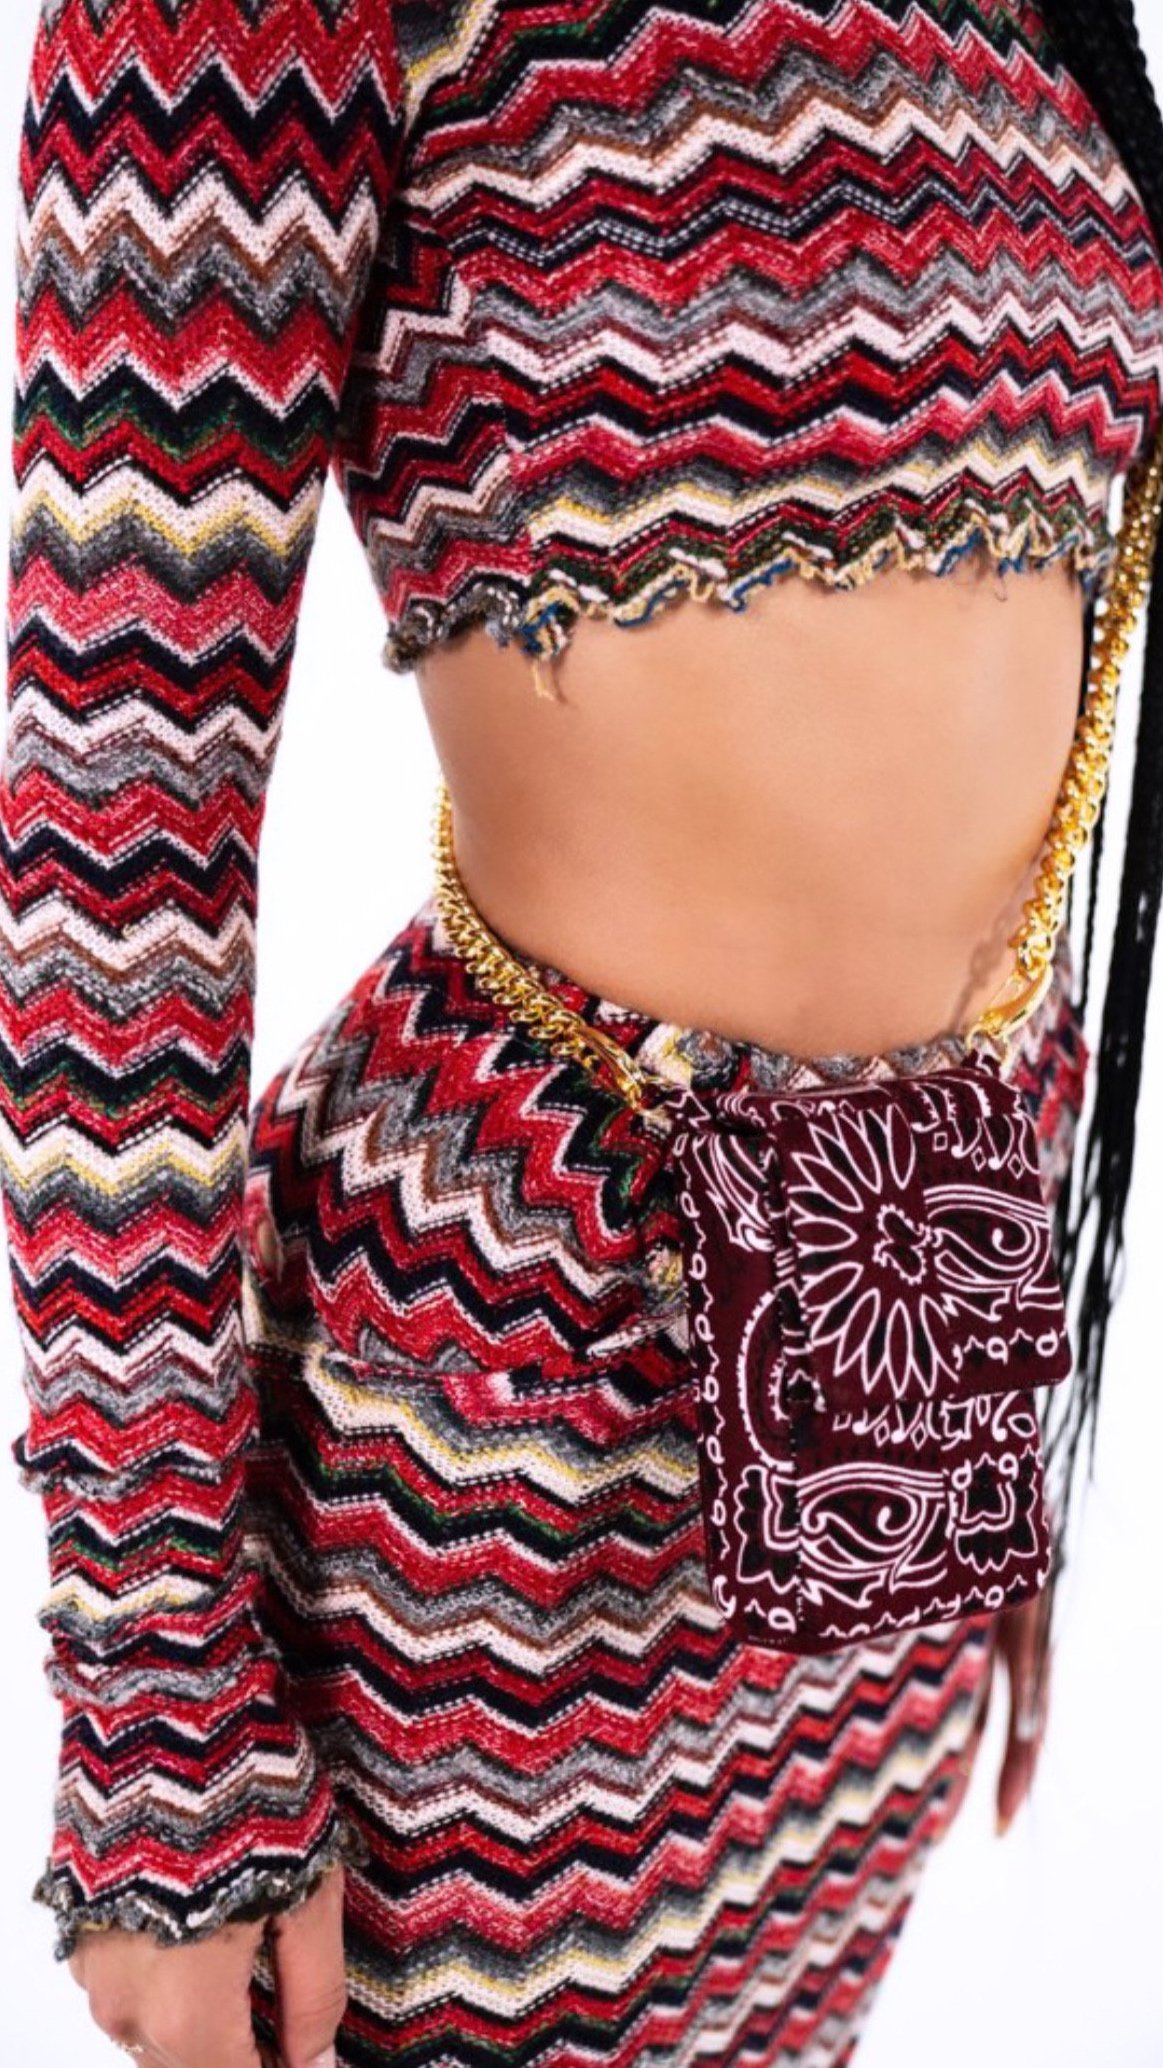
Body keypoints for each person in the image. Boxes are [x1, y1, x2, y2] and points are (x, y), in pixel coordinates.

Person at [2, 3, 1162, 2066]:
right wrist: (163, 1716)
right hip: (489, 1449)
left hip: (895, 1349)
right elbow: (115, 836)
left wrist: (977, 1407)